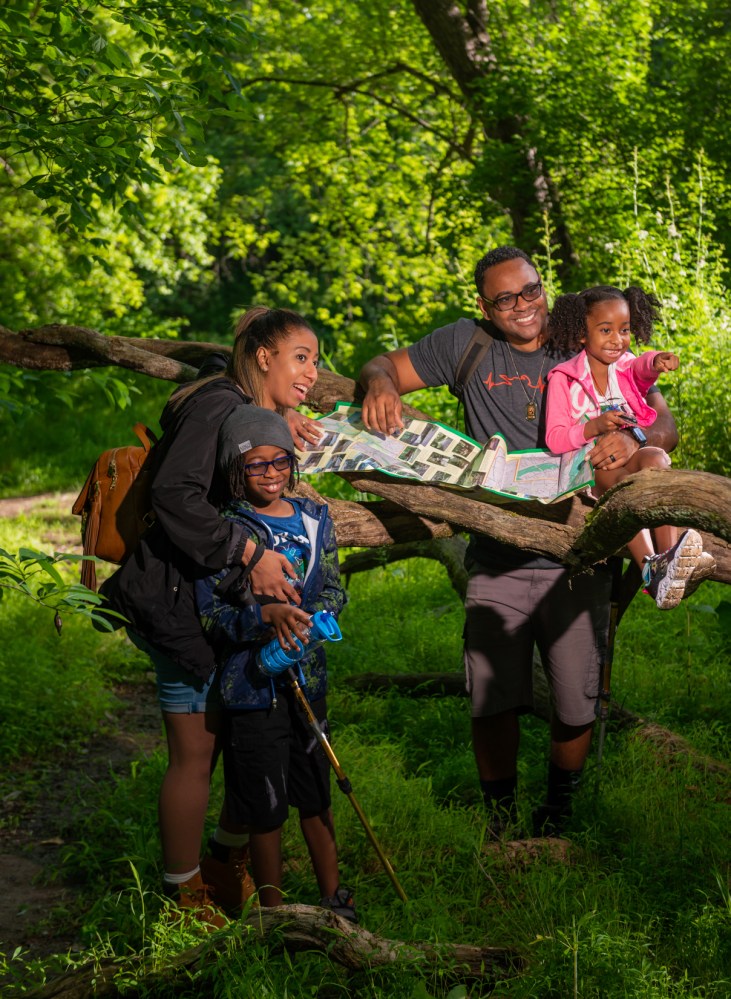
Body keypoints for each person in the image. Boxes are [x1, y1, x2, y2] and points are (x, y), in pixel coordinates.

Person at [357, 246, 684, 838]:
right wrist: (378, 386)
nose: (522, 306)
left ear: (544, 286)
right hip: (498, 554)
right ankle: (500, 819)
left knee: (574, 698)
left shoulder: (582, 334)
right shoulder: (466, 344)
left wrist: (629, 436)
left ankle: (557, 816)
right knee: (492, 695)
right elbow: (384, 365)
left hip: (580, 552)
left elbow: (662, 422)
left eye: (529, 290)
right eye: (504, 298)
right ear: (484, 304)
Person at [101, 307, 322, 925]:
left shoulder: (237, 404)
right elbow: (175, 494)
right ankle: (183, 895)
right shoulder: (216, 405)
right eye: (300, 357)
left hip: (213, 602)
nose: (312, 371)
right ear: (260, 356)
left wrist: (282, 416)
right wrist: (250, 553)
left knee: (244, 734)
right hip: (171, 599)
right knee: (196, 752)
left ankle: (224, 862)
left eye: (315, 360)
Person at [194, 406, 355, 921]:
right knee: (264, 804)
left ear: (293, 463)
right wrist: (265, 618)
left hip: (309, 677)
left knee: (316, 789)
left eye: (279, 462)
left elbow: (332, 586)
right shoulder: (228, 531)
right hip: (252, 688)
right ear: (235, 472)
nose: (270, 474)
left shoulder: (315, 519)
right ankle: (273, 914)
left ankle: (334, 899)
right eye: (255, 465)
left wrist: (316, 617)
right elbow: (211, 613)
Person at [545, 284, 709, 609]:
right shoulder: (564, 379)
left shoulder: (624, 365)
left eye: (625, 330)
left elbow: (641, 368)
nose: (617, 340)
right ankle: (650, 568)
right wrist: (591, 427)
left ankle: (670, 557)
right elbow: (555, 438)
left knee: (657, 460)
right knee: (624, 487)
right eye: (605, 330)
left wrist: (656, 361)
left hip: (628, 457)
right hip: (590, 469)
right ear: (582, 333)